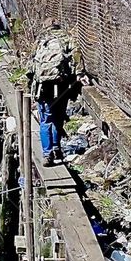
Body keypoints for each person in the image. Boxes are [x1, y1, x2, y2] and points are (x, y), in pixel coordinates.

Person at [29, 20, 81, 165]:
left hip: (42, 87)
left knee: (45, 121)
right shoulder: (67, 39)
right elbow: (76, 56)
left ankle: (47, 155)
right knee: (58, 118)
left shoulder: (41, 40)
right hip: (61, 85)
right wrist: (79, 74)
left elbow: (31, 65)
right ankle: (57, 149)